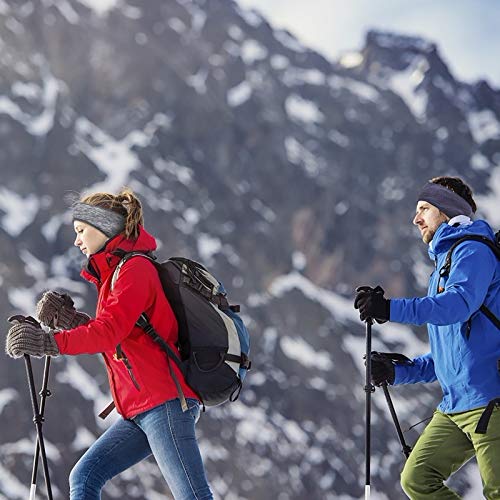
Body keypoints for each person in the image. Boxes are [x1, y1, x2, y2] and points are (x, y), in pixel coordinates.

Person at [6, 188, 213, 500]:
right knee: (85, 475)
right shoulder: (115, 274)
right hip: (140, 409)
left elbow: (109, 332)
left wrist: (47, 342)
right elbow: (120, 336)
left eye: (81, 231)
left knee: (193, 496)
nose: (77, 241)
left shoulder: (135, 269)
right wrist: (69, 320)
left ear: (102, 227)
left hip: (165, 404)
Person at [354, 176, 500, 499]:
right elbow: (448, 358)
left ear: (446, 210)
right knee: (417, 478)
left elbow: (458, 305)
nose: (415, 218)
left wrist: (389, 309)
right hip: (455, 406)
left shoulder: (474, 250)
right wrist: (396, 371)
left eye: (423, 208)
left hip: (491, 401)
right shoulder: (441, 268)